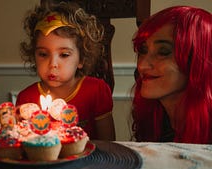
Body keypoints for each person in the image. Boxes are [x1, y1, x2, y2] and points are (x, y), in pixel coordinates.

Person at [16, 2, 115, 141]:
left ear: (81, 58)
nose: (52, 64)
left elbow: (108, 144)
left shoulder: (96, 91)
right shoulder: (26, 99)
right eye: (43, 54)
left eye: (64, 55)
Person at [131, 6, 212, 144]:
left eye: (163, 52)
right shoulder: (154, 117)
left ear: (197, 62)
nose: (142, 65)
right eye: (143, 50)